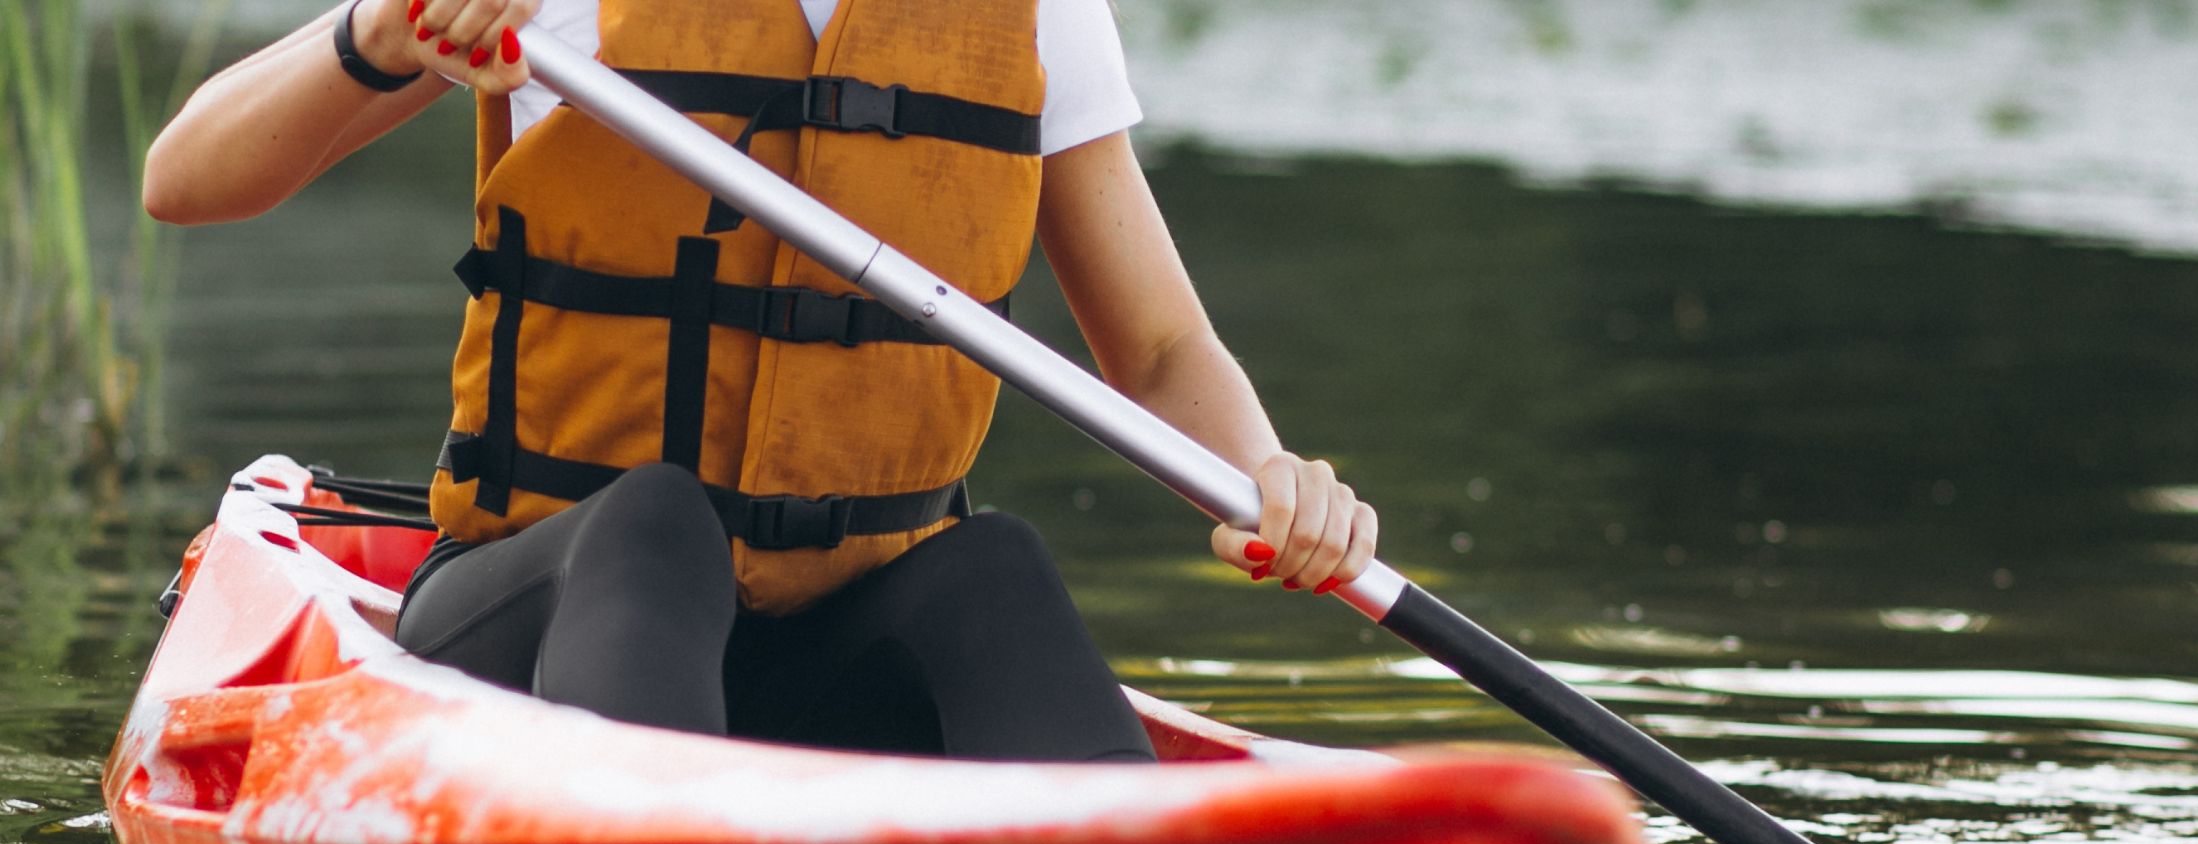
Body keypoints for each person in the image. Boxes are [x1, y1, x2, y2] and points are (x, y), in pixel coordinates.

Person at [143, 0, 1380, 761]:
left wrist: (1269, 481)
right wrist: (374, 33)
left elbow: (1160, 352)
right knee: (657, 522)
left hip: (837, 637)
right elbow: (186, 178)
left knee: (991, 566)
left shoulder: (1035, 10)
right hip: (544, 618)